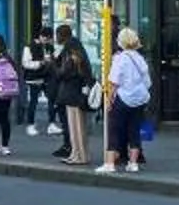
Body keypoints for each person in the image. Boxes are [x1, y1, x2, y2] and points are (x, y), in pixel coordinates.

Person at [101, 26, 153, 174]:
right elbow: (148, 83)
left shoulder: (120, 58)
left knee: (114, 130)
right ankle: (133, 163)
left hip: (123, 98)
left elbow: (113, 81)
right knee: (134, 131)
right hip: (139, 99)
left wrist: (109, 100)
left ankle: (110, 163)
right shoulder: (140, 58)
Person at [49, 28, 94, 165]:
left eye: (57, 34)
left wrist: (52, 64)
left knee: (76, 127)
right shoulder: (75, 48)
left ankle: (80, 155)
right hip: (75, 93)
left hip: (73, 93)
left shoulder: (71, 50)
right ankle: (77, 154)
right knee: (76, 126)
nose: (56, 37)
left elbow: (63, 73)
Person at [20, 32, 50, 137]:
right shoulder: (29, 47)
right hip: (33, 78)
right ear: (41, 36)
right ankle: (30, 124)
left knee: (52, 99)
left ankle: (51, 123)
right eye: (46, 38)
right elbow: (26, 63)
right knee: (33, 102)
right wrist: (40, 63)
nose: (47, 41)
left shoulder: (44, 47)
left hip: (43, 77)